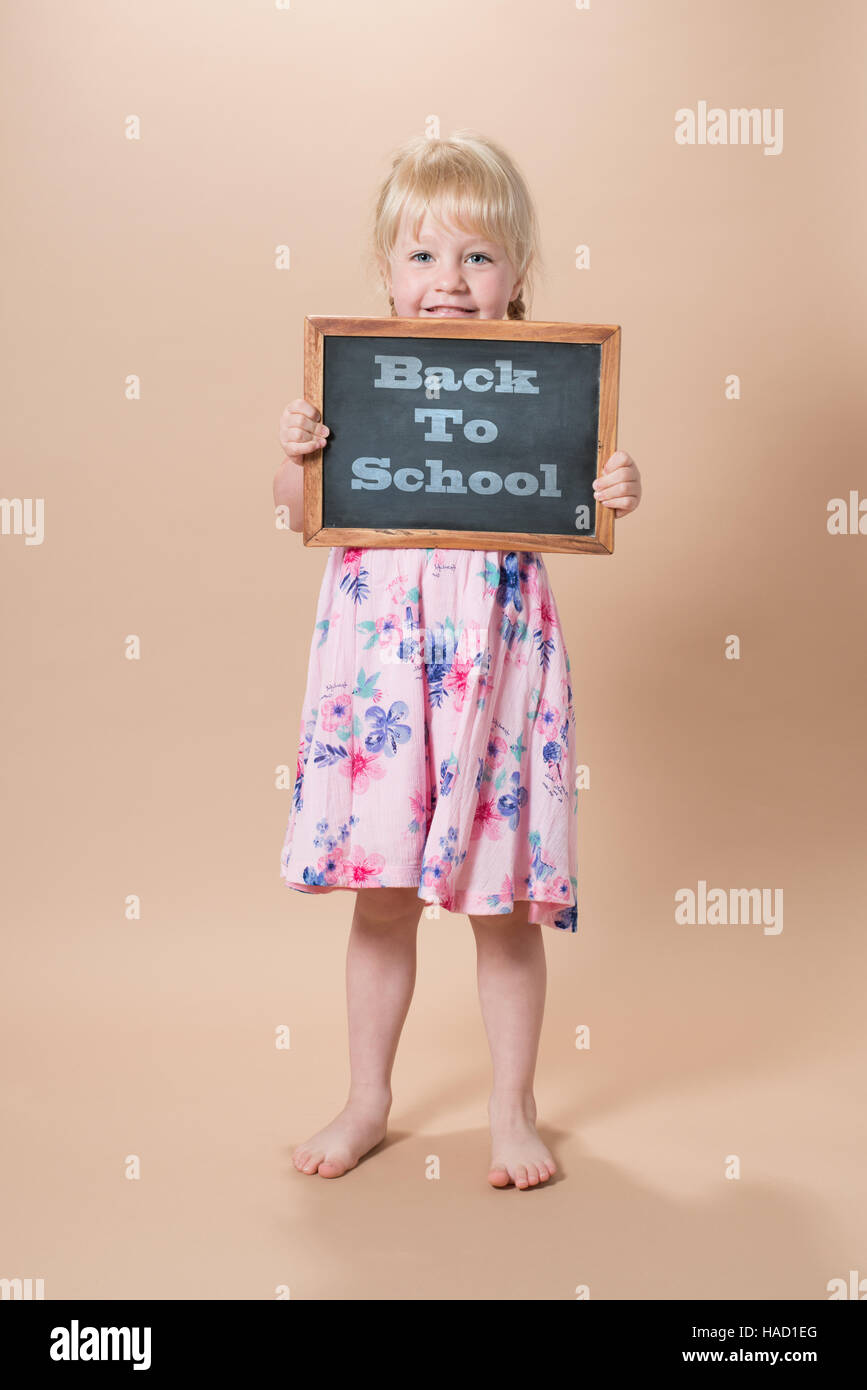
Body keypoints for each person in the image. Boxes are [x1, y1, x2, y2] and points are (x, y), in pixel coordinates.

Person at [273, 132, 642, 1189]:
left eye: (478, 257)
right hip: (382, 667)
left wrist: (619, 489)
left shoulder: (550, 380)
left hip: (499, 660)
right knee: (381, 895)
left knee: (501, 902)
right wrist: (297, 455)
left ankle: (512, 1107)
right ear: (386, 275)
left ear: (519, 274)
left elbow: (582, 497)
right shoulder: (354, 380)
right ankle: (367, 1096)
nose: (449, 282)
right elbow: (297, 512)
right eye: (424, 258)